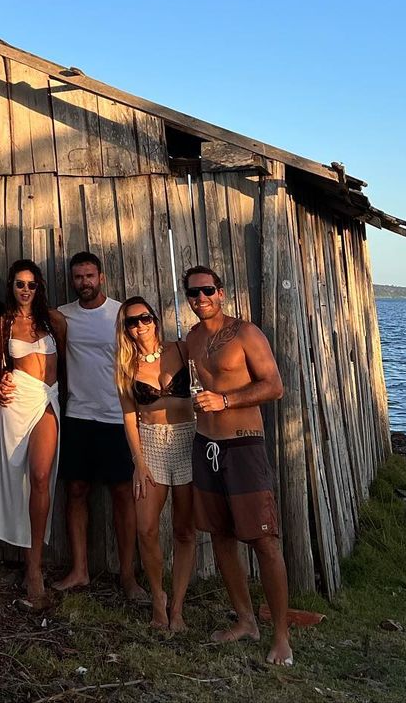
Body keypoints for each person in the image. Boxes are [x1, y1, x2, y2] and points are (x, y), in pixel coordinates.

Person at [184, 265, 293, 667]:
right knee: (220, 535)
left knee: (264, 540)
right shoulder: (192, 339)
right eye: (193, 293)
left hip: (244, 446)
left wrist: (226, 401)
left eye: (207, 291)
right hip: (205, 444)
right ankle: (246, 620)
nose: (200, 299)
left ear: (222, 293)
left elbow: (275, 386)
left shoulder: (246, 333)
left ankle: (281, 636)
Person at [52, 251, 143, 601]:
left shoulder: (121, 314)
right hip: (77, 414)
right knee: (75, 491)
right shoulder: (63, 316)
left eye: (90, 276)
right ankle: (79, 571)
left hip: (116, 417)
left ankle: (128, 576)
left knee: (123, 494)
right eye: (78, 277)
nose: (84, 283)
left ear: (101, 277)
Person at [0, 260, 67, 610]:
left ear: (39, 287)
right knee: (17, 479)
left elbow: (68, 365)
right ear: (11, 286)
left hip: (47, 399)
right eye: (20, 284)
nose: (25, 290)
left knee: (40, 476)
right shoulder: (3, 324)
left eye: (32, 284)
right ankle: (26, 561)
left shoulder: (55, 321)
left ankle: (35, 567)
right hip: (16, 400)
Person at [115, 297, 197, 632]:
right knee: (146, 528)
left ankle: (177, 608)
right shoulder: (125, 365)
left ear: (155, 319)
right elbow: (129, 416)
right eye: (132, 322)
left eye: (144, 319)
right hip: (149, 444)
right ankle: (158, 599)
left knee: (184, 530)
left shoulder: (181, 349)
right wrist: (138, 461)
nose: (139, 326)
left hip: (188, 441)